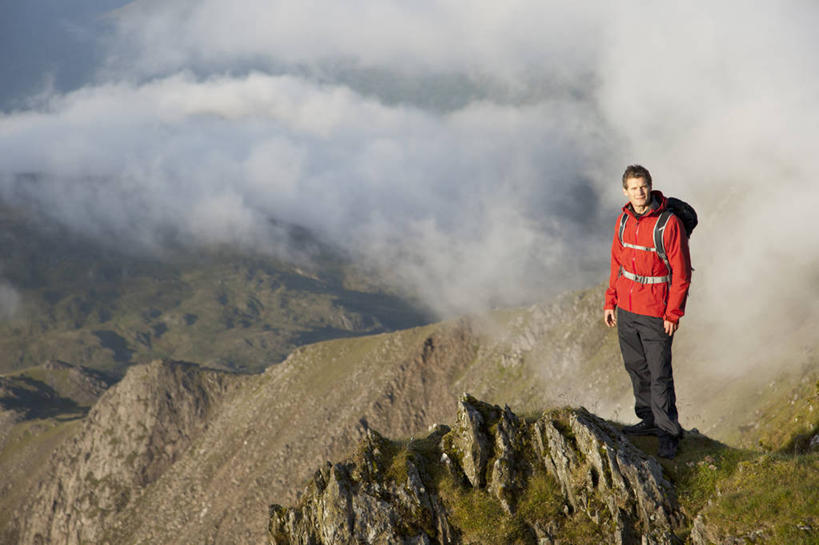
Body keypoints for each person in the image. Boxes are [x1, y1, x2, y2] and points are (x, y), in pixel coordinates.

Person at [603, 164, 692, 459]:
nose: (639, 192)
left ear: (650, 187)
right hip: (627, 310)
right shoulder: (623, 221)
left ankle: (668, 433)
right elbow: (617, 263)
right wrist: (610, 301)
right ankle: (649, 420)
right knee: (636, 368)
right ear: (625, 191)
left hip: (656, 312)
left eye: (643, 186)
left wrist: (673, 313)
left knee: (659, 374)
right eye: (633, 188)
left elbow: (681, 273)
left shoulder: (668, 224)